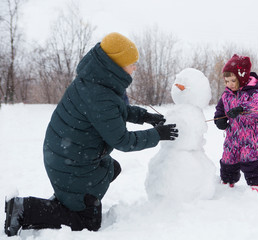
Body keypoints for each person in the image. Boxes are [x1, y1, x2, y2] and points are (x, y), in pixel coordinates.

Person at [4, 32, 179, 236]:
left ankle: (71, 199)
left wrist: (145, 117)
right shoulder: (100, 95)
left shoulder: (97, 82)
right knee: (88, 222)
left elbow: (115, 111)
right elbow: (123, 140)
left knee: (112, 168)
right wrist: (157, 134)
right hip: (70, 161)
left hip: (67, 154)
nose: (135, 67)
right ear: (117, 65)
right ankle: (23, 209)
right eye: (132, 63)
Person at [214, 54, 258, 194]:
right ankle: (227, 180)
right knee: (228, 157)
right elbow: (220, 108)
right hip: (232, 133)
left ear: (241, 78)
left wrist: (242, 108)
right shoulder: (227, 94)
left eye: (233, 80)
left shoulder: (253, 91)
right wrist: (219, 118)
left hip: (251, 134)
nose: (229, 84)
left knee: (249, 157)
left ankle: (257, 183)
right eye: (226, 81)